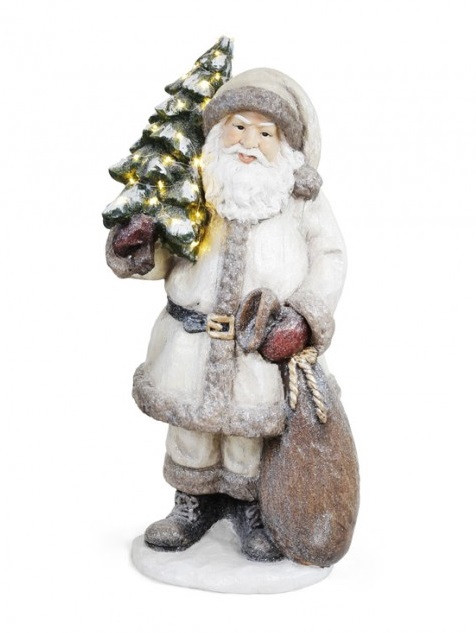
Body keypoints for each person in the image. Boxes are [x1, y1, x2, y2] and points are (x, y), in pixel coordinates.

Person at [106, 68, 347, 562]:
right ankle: (191, 503)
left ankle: (248, 507)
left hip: (258, 345)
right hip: (191, 344)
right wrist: (139, 249)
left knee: (248, 436)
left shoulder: (300, 201)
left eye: (265, 133)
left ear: (286, 146)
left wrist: (304, 316)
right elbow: (168, 257)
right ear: (218, 130)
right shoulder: (197, 190)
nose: (249, 143)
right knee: (190, 429)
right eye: (239, 127)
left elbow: (330, 258)